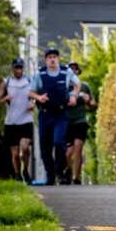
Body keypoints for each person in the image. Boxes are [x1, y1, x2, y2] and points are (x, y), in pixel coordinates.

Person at [29, 48, 81, 185]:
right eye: (50, 57)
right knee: (45, 146)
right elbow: (31, 92)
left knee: (59, 142)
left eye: (54, 57)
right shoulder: (40, 74)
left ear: (58, 59)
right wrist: (39, 97)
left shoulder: (66, 71)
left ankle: (60, 172)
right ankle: (50, 174)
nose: (52, 59)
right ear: (46, 60)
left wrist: (74, 97)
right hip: (45, 115)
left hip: (60, 114)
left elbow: (77, 83)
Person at [0, 58, 35, 184]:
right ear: (12, 68)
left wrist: (34, 104)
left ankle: (25, 170)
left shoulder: (29, 81)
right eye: (16, 67)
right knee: (15, 152)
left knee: (25, 147)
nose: (19, 70)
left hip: (26, 120)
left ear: (23, 68)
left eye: (20, 67)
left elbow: (38, 95)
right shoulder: (6, 82)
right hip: (11, 122)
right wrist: (4, 98)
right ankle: (18, 175)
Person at [64, 61, 97, 184]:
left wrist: (88, 100)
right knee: (68, 152)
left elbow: (93, 104)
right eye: (70, 68)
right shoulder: (64, 87)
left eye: (75, 69)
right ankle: (66, 170)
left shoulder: (85, 86)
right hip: (66, 122)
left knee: (78, 148)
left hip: (80, 121)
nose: (73, 71)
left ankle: (75, 177)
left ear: (78, 71)